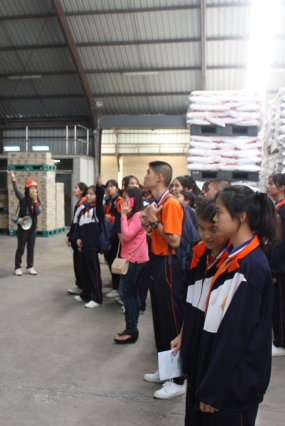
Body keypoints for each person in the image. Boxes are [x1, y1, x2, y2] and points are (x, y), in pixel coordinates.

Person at [174, 186, 278, 424]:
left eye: (220, 213)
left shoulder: (250, 267)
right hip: (217, 381)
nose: (215, 219)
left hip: (231, 389)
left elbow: (234, 337)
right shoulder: (232, 259)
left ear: (241, 217)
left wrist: (213, 388)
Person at [174, 199, 229, 425]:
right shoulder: (198, 254)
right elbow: (192, 302)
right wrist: (183, 333)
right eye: (201, 228)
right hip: (194, 345)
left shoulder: (233, 263)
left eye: (213, 229)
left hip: (213, 349)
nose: (206, 235)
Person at [140, 161, 186, 400]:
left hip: (169, 266)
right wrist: (148, 224)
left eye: (148, 172)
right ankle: (165, 368)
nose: (145, 176)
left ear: (159, 177)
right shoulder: (157, 204)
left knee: (171, 320)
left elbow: (175, 240)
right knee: (159, 320)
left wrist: (154, 221)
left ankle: (177, 379)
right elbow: (156, 234)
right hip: (157, 263)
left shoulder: (171, 204)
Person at [113, 186, 148, 344]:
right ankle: (131, 328)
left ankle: (131, 329)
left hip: (134, 261)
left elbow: (126, 236)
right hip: (136, 260)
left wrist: (122, 216)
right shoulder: (135, 215)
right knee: (132, 294)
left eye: (126, 198)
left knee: (126, 294)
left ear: (134, 200)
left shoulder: (137, 216)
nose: (123, 201)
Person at [265, 174, 285, 357]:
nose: (268, 186)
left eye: (272, 184)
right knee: (276, 306)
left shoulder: (284, 211)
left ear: (282, 187)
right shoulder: (277, 208)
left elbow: (282, 242)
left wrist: (276, 269)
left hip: (280, 269)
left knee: (281, 306)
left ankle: (282, 343)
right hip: (275, 265)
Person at [70, 176, 105, 308]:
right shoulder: (83, 210)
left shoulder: (97, 210)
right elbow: (77, 228)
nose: (88, 196)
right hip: (82, 247)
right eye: (88, 194)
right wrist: (77, 238)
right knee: (84, 271)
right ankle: (86, 294)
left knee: (93, 272)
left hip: (92, 246)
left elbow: (100, 199)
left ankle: (97, 298)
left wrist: (99, 186)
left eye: (92, 194)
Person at [7, 170, 41, 276]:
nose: (33, 190)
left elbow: (38, 212)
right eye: (31, 188)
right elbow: (16, 190)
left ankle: (30, 267)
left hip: (32, 228)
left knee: (31, 249)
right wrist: (13, 178)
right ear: (27, 189)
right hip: (23, 228)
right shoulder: (23, 198)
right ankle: (17, 267)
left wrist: (35, 202)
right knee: (20, 248)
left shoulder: (37, 200)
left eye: (35, 188)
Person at [67, 183, 88, 295]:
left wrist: (74, 237)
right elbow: (74, 223)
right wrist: (70, 235)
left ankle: (83, 287)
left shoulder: (84, 205)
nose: (73, 189)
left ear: (81, 191)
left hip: (80, 239)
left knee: (81, 264)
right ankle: (79, 285)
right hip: (75, 237)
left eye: (76, 188)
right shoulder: (79, 204)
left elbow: (79, 225)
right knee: (77, 263)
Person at [103, 180, 123, 298]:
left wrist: (108, 217)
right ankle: (115, 285)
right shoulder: (107, 201)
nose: (109, 189)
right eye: (108, 187)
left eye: (112, 186)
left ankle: (117, 287)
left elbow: (119, 219)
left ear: (117, 188)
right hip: (108, 234)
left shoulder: (119, 201)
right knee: (110, 260)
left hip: (115, 235)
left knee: (115, 260)